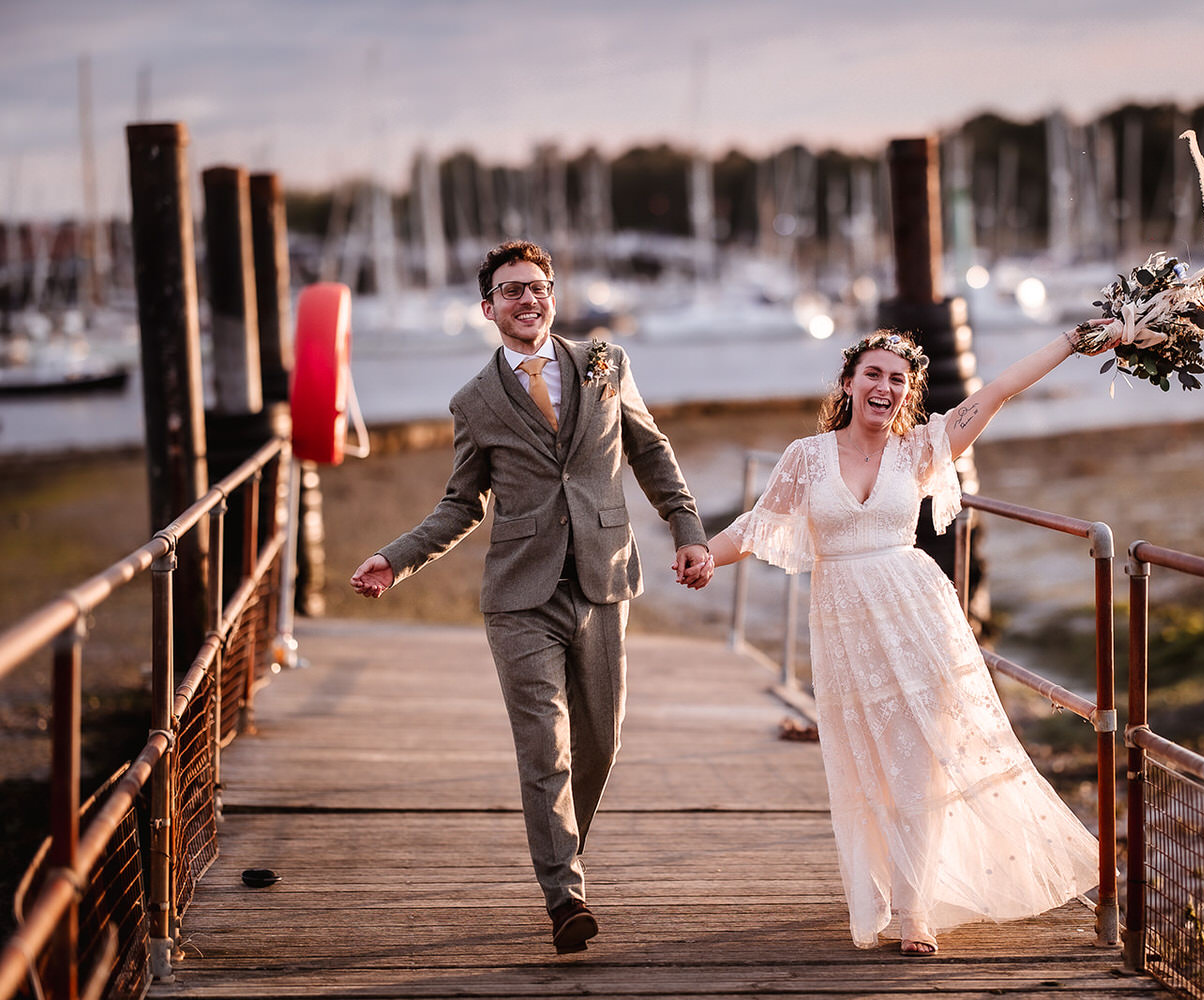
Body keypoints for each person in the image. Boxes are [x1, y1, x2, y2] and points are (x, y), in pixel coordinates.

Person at [703, 324, 1116, 956]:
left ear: (908, 391)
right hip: (846, 626)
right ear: (848, 383)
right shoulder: (805, 457)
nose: (885, 386)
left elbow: (1002, 387)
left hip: (921, 616)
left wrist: (1073, 339)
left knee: (920, 766)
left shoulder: (922, 449)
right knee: (869, 765)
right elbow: (758, 525)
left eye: (898, 379)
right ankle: (891, 894)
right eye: (873, 373)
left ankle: (913, 913)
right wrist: (706, 556)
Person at [350, 240, 713, 955]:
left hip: (604, 577)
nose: (528, 299)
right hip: (520, 596)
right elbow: (461, 505)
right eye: (511, 290)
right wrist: (396, 560)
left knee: (600, 743)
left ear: (552, 294)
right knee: (543, 748)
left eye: (537, 287)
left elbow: (651, 452)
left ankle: (562, 849)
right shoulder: (473, 402)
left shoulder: (608, 365)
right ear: (488, 308)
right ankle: (565, 896)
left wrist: (688, 529)